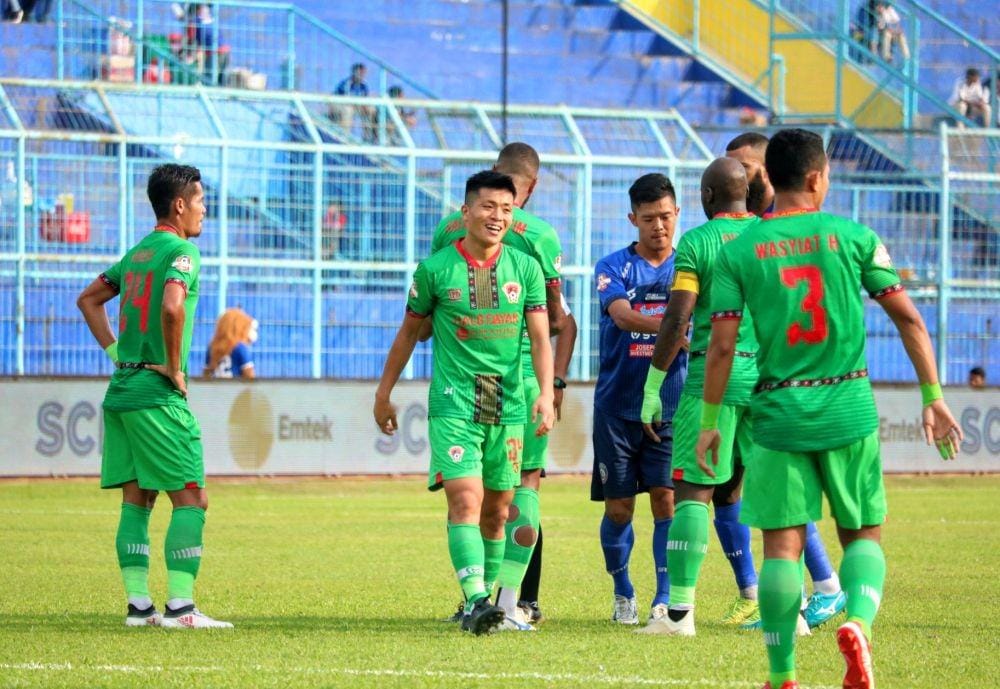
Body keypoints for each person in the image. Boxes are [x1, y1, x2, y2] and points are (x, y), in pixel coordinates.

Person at [696, 128, 961, 689]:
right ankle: (858, 623)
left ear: (770, 177)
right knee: (863, 535)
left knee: (781, 549)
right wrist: (934, 398)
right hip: (848, 407)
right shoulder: (854, 237)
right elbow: (909, 320)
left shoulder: (738, 251)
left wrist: (710, 422)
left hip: (777, 415)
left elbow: (720, 346)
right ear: (817, 178)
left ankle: (782, 674)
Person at [374, 170, 556, 636]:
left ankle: (484, 605)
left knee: (499, 509)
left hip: (509, 403)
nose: (497, 217)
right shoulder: (435, 270)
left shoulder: (526, 268)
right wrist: (384, 392)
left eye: (506, 209)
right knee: (466, 500)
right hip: (455, 402)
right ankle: (476, 598)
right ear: (467, 211)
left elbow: (539, 338)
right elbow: (408, 334)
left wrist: (547, 394)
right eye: (488, 207)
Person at [76, 163, 232, 629]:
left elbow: (87, 299)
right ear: (180, 205)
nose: (205, 210)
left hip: (121, 390)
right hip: (155, 394)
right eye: (201, 200)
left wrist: (116, 353)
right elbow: (171, 305)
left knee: (137, 499)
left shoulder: (137, 253)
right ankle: (182, 608)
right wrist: (173, 366)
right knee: (192, 499)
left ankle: (139, 606)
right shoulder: (181, 251)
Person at [430, 142, 572, 629]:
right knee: (517, 491)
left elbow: (430, 314)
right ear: (530, 186)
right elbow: (556, 321)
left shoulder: (448, 229)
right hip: (522, 381)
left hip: (465, 380)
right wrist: (552, 386)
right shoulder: (541, 237)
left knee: (475, 500)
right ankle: (512, 603)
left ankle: (478, 600)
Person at [723, 133, 847, 631]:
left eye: (747, 167)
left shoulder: (783, 232)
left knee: (777, 490)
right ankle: (774, 594)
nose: (740, 177)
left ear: (770, 171)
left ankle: (816, 593)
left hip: (775, 380)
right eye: (733, 168)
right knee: (737, 488)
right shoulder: (749, 232)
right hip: (750, 376)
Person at [638, 158, 763, 635]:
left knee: (693, 492)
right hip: (771, 381)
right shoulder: (774, 239)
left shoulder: (697, 242)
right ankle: (788, 609)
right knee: (773, 495)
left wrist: (653, 387)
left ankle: (679, 614)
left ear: (707, 197)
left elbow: (677, 319)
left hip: (714, 378)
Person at [590, 173, 686, 626]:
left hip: (671, 406)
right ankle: (623, 590)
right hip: (617, 407)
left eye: (665, 216)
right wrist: (672, 329)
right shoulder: (611, 266)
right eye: (648, 218)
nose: (658, 226)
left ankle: (663, 599)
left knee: (666, 500)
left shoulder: (689, 268)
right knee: (620, 509)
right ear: (633, 219)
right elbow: (624, 317)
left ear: (677, 214)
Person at [203, 308, 257, 379]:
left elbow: (206, 373)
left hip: (215, 388)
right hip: (235, 388)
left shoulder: (211, 347)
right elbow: (249, 375)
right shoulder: (240, 348)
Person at [333, 63, 376, 142]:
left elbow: (366, 98)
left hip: (356, 106)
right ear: (355, 72)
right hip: (341, 106)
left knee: (371, 109)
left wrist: (365, 106)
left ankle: (367, 136)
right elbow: (344, 99)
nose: (363, 75)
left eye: (364, 73)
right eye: (361, 73)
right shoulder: (346, 84)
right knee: (348, 110)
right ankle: (345, 137)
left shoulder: (363, 85)